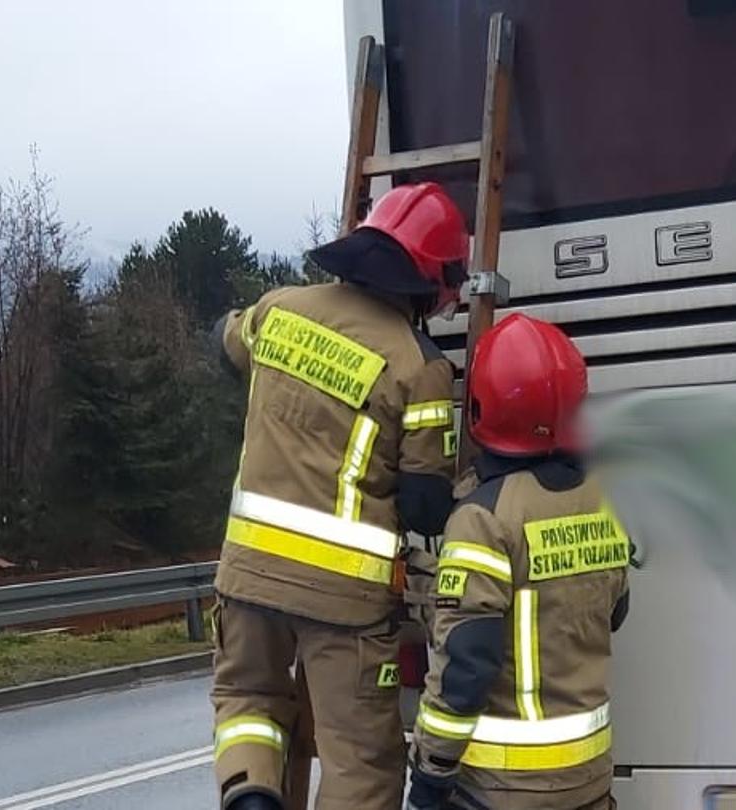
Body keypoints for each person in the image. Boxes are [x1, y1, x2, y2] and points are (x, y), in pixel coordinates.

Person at [210, 182, 468, 810]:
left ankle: (250, 795)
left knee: (250, 705)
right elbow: (428, 504)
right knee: (362, 760)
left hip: (247, 577)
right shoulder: (419, 365)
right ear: (430, 283)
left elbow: (220, 336)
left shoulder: (278, 310)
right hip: (343, 600)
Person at [407, 314, 631, 810]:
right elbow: (614, 611)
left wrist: (430, 774)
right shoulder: (601, 500)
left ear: (484, 406)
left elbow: (466, 668)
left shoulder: (483, 518)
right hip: (589, 778)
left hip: (504, 789)